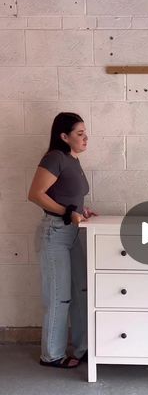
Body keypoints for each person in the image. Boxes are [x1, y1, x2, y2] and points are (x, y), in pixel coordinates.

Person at [28, 112, 96, 368]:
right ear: (64, 136)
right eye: (79, 133)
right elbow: (35, 194)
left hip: (72, 232)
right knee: (59, 296)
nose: (85, 137)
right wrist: (68, 212)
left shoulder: (72, 160)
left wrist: (81, 209)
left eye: (85, 132)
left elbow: (66, 195)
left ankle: (82, 348)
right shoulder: (54, 158)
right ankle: (52, 355)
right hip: (55, 232)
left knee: (80, 291)